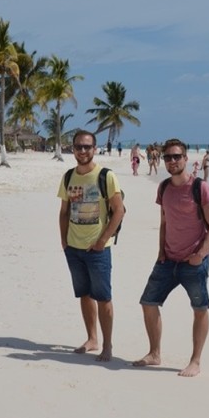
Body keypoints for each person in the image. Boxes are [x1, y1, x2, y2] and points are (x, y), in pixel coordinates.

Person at [133, 139, 209, 377]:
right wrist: (161, 251)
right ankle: (154, 353)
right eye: (168, 157)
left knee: (199, 308)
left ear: (185, 158)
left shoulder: (200, 188)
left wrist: (200, 255)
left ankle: (195, 361)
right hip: (167, 260)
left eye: (176, 156)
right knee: (148, 303)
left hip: (194, 262)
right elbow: (164, 222)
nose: (172, 161)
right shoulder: (163, 188)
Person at [58, 130, 125, 362]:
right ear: (73, 149)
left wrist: (101, 241)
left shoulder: (105, 176)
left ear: (94, 149)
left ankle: (107, 345)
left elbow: (119, 211)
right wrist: (64, 241)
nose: (83, 151)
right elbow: (64, 212)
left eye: (87, 147)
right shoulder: (68, 177)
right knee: (84, 295)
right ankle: (92, 338)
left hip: (98, 250)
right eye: (78, 147)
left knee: (103, 297)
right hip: (74, 249)